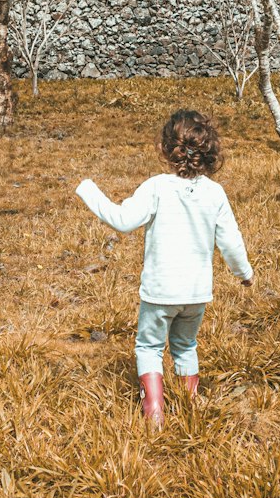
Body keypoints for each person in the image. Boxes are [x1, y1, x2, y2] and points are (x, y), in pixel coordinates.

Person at [75, 108, 254, 427]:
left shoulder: (157, 187)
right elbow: (231, 240)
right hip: (196, 294)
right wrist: (244, 273)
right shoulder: (215, 193)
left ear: (164, 148)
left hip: (159, 292)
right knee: (186, 346)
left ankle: (154, 412)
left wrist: (89, 190)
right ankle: (190, 405)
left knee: (149, 346)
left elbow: (124, 220)